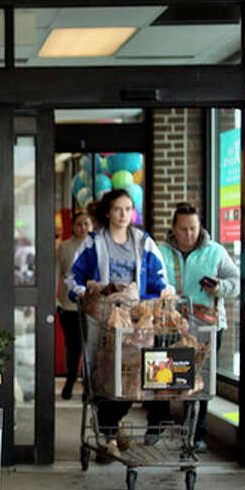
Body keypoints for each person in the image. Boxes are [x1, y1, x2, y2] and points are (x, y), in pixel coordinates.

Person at [65, 188, 170, 455]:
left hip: (137, 321)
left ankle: (115, 428)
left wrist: (161, 293)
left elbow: (160, 277)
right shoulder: (94, 242)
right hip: (103, 321)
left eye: (128, 209)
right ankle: (110, 437)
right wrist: (83, 292)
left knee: (134, 374)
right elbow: (72, 278)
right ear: (107, 212)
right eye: (117, 209)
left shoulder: (143, 241)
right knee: (105, 375)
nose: (123, 215)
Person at [146, 202, 239, 450]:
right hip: (169, 324)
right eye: (184, 229)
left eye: (194, 228)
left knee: (200, 380)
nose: (189, 234)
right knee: (160, 374)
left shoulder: (216, 252)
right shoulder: (160, 251)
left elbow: (236, 282)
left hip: (206, 325)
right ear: (174, 228)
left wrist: (219, 286)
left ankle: (197, 432)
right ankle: (157, 422)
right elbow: (149, 279)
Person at [55, 211, 94, 399]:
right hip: (68, 305)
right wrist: (54, 300)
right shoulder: (64, 247)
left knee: (89, 346)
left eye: (87, 224)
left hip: (92, 307)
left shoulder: (97, 246)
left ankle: (88, 385)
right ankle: (70, 381)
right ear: (73, 227)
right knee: (73, 346)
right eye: (79, 224)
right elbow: (57, 273)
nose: (83, 228)